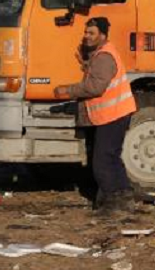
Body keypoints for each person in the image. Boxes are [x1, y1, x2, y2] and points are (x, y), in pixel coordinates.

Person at [53, 17, 137, 213]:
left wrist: (68, 90)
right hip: (114, 113)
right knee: (111, 157)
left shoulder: (105, 56)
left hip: (113, 114)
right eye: (85, 33)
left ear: (102, 35)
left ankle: (113, 203)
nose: (86, 37)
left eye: (91, 33)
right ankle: (123, 197)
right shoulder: (100, 54)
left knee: (103, 160)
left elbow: (95, 87)